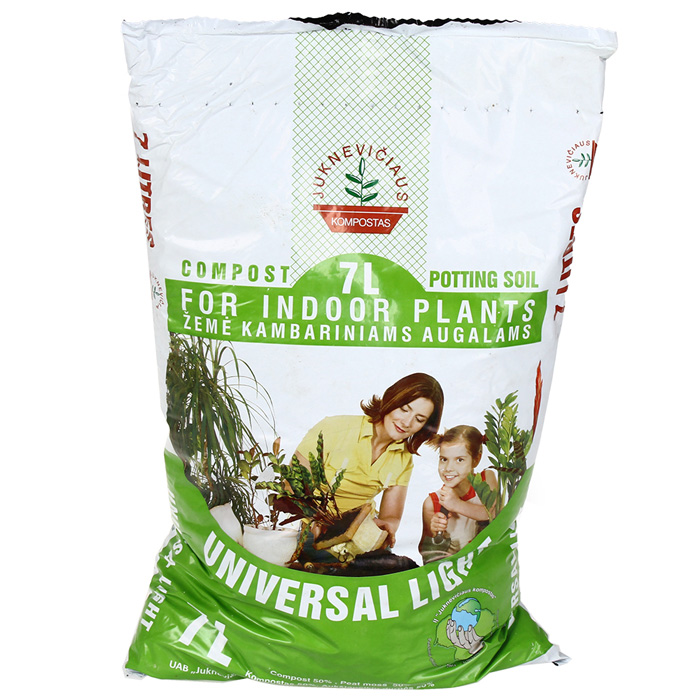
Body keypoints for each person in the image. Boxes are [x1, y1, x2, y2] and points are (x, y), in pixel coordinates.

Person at [294, 373, 444, 550]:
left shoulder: (404, 458)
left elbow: (391, 516)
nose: (407, 422)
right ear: (391, 400)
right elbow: (292, 485)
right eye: (404, 409)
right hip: (314, 529)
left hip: (361, 534)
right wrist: (313, 521)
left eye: (419, 419)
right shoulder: (332, 428)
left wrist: (386, 527)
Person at [419, 425, 498, 563]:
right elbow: (423, 550)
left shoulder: (486, 479)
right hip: (456, 570)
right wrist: (434, 532)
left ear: (476, 459)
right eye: (444, 459)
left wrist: (456, 504)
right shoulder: (432, 503)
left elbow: (494, 513)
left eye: (459, 460)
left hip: (487, 564)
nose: (448, 468)